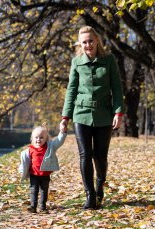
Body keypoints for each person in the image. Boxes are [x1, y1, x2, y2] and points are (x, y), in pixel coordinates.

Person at [60, 26, 124, 209]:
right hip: (81, 114)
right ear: (80, 44)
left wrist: (118, 112)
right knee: (85, 155)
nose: (88, 45)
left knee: (100, 156)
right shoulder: (76, 62)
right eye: (84, 42)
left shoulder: (109, 60)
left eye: (90, 41)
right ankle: (90, 196)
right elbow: (71, 90)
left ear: (97, 40)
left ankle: (99, 185)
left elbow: (117, 88)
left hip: (104, 115)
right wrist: (66, 116)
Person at [19, 124, 67, 213]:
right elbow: (24, 162)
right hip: (34, 174)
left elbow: (59, 141)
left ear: (46, 139)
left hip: (45, 175)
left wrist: (62, 132)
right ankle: (33, 206)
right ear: (32, 139)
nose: (38, 140)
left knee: (44, 191)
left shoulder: (50, 147)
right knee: (33, 190)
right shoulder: (29, 150)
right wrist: (22, 170)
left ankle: (42, 207)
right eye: (36, 137)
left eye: (41, 137)